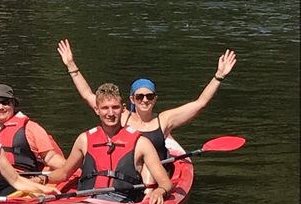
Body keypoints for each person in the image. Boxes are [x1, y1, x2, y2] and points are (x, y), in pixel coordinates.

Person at [57, 39, 237, 160]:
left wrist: (219, 76)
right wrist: (71, 65)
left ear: (155, 99)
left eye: (149, 96)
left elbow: (200, 103)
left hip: (156, 175)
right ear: (132, 99)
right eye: (140, 96)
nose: (145, 100)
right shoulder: (121, 116)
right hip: (130, 173)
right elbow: (88, 95)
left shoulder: (165, 120)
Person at [43, 83, 174, 204]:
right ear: (97, 110)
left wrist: (160, 191)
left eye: (115, 107)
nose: (110, 113)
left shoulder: (141, 143)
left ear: (123, 108)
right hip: (86, 200)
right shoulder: (84, 139)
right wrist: (40, 180)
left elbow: (166, 183)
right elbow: (64, 173)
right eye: (105, 108)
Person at [0, 84, 66, 195]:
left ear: (13, 104)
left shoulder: (30, 127)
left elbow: (50, 157)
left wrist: (70, 169)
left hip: (21, 181)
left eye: (5, 102)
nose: (0, 107)